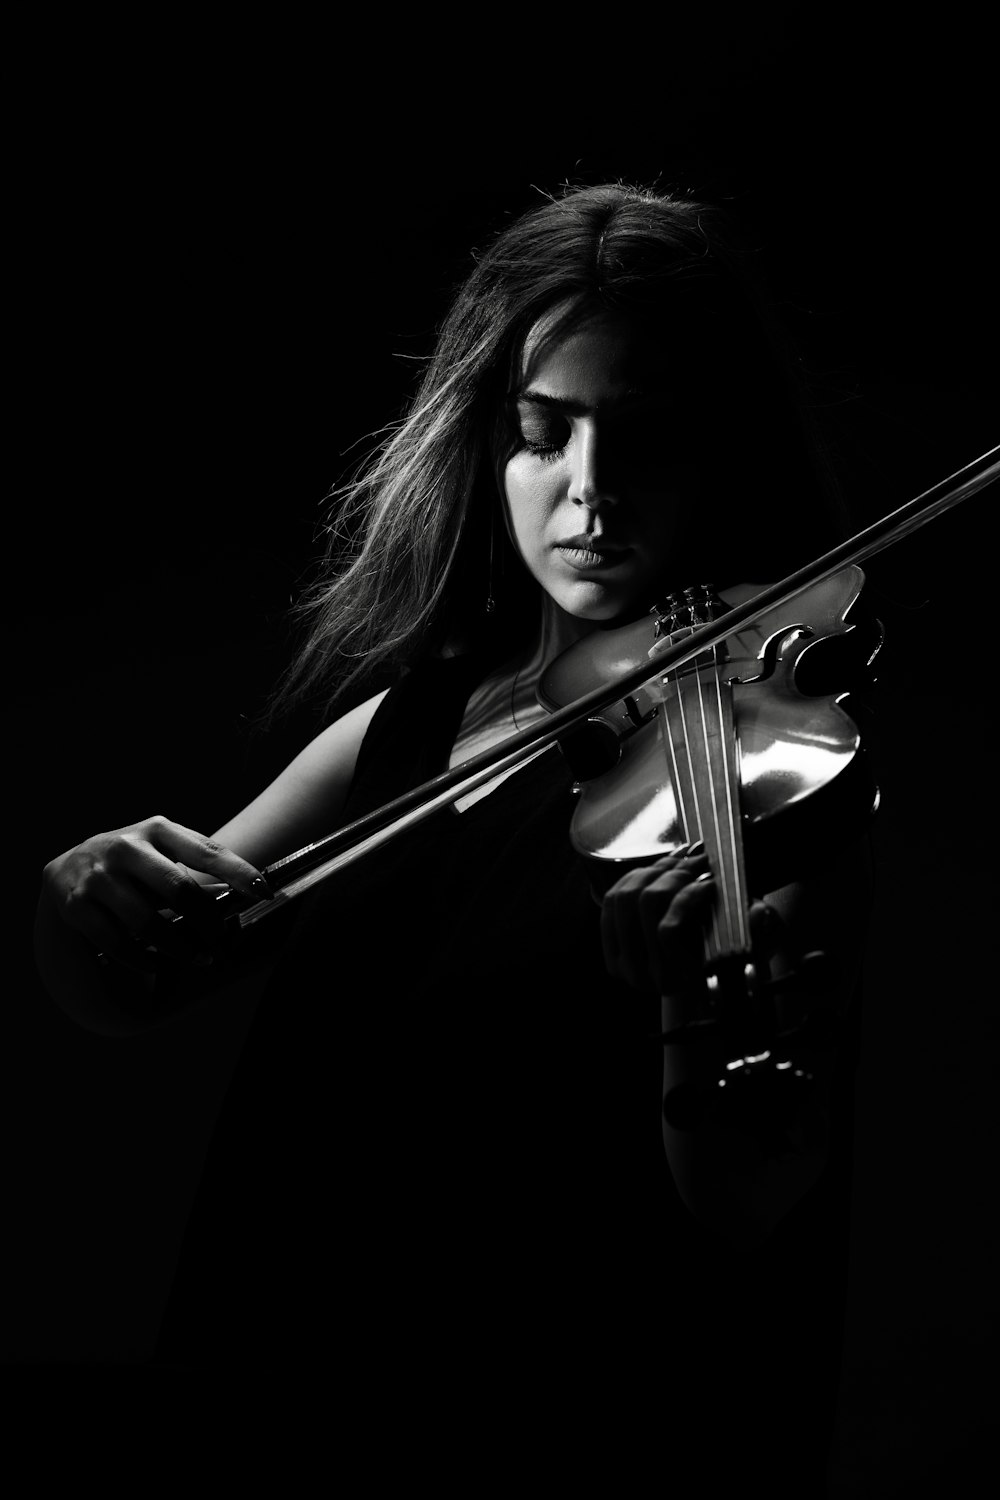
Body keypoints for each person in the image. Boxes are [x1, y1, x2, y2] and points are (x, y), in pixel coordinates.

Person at [35, 183, 873, 1492]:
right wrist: (84, 898)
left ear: (725, 448)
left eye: (643, 438)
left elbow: (744, 1198)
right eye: (546, 436)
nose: (586, 493)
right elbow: (138, 974)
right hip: (286, 1381)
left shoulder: (760, 755)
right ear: (490, 446)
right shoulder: (405, 728)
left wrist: (693, 1004)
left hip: (551, 1429)